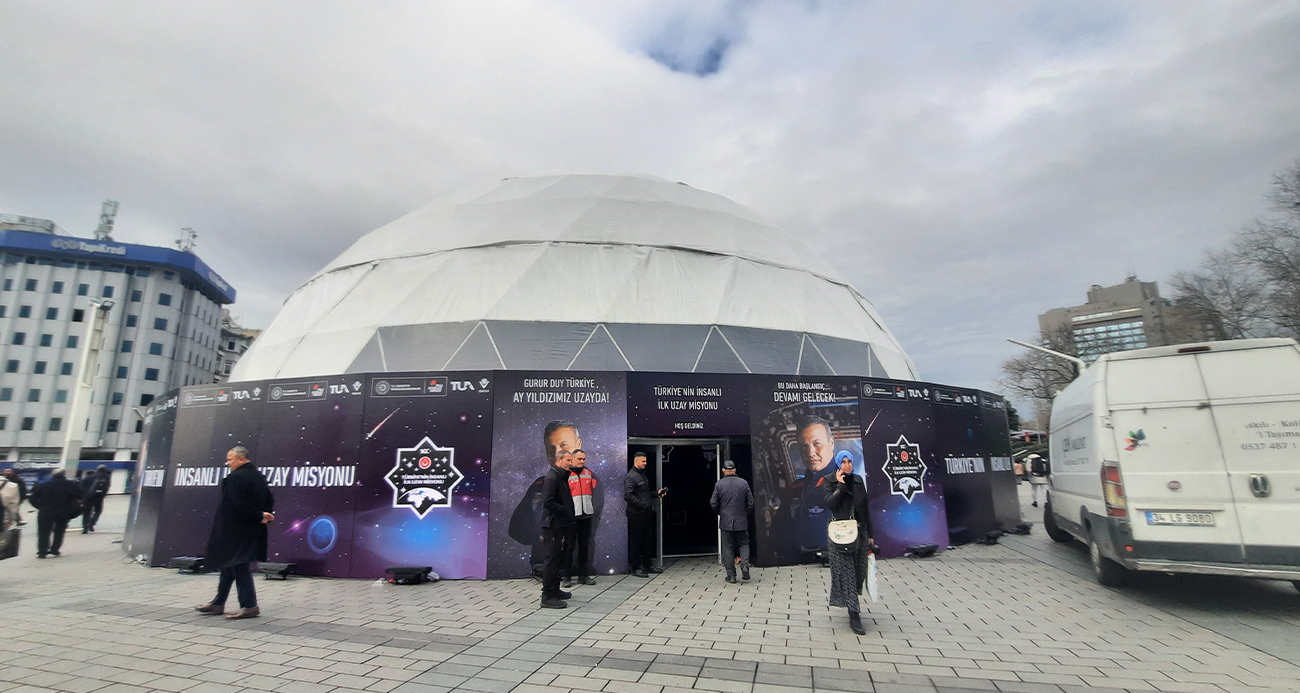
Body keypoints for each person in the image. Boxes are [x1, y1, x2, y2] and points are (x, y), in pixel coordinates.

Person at [508, 421, 604, 577]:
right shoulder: (540, 483)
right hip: (545, 567)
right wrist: (541, 537)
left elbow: (582, 525)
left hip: (573, 571)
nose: (556, 452)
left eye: (563, 445)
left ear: (578, 444)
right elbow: (516, 528)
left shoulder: (589, 481)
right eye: (550, 447)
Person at [194, 446, 275, 620]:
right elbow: (269, 498)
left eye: (230, 459)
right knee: (229, 563)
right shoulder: (258, 476)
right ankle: (218, 603)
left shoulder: (236, 478)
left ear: (241, 459)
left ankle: (250, 605)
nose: (228, 463)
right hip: (252, 528)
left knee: (238, 564)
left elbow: (240, 505)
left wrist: (259, 514)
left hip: (235, 530)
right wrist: (264, 514)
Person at [824, 454, 875, 635]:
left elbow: (865, 508)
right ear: (838, 464)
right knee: (846, 573)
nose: (847, 465)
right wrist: (841, 485)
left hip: (860, 532)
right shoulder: (830, 480)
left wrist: (871, 534)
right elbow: (831, 503)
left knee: (858, 572)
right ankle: (855, 615)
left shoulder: (859, 480)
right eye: (843, 462)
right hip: (840, 533)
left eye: (849, 461)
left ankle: (852, 601)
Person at [539, 449, 575, 609]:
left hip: (561, 524)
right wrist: (565, 510)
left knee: (557, 558)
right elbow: (548, 501)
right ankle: (547, 595)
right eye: (568, 460)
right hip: (552, 525)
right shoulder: (552, 478)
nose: (570, 463)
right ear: (558, 460)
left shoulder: (561, 477)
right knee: (551, 559)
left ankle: (555, 589)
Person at [710, 460, 754, 584]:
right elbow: (750, 502)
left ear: (723, 471)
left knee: (727, 547)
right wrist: (745, 514)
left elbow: (713, 503)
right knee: (744, 543)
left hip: (726, 521)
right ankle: (745, 566)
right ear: (735, 470)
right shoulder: (743, 483)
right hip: (741, 520)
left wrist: (721, 513)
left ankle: (731, 576)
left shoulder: (719, 484)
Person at [624, 452, 666, 577]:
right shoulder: (631, 477)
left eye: (646, 461)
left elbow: (643, 493)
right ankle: (635, 568)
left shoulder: (642, 476)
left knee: (647, 539)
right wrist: (643, 505)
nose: (645, 463)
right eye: (643, 461)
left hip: (645, 513)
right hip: (636, 514)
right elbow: (628, 495)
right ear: (636, 461)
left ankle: (648, 565)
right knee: (636, 540)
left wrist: (656, 494)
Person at [29, 468, 82, 559]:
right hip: (63, 512)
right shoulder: (71, 485)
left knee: (43, 532)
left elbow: (32, 499)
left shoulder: (43, 485)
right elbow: (80, 496)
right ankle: (54, 549)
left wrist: (40, 507)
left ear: (53, 475)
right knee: (59, 531)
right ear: (64, 474)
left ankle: (42, 551)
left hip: (45, 512)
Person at [564, 449, 598, 588]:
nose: (582, 461)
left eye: (584, 459)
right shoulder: (565, 475)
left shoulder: (588, 473)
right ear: (572, 459)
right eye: (579, 459)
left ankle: (583, 575)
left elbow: (593, 491)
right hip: (572, 516)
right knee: (569, 546)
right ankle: (566, 576)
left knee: (584, 546)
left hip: (586, 515)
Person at [80, 465, 111, 533]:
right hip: (98, 497)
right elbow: (107, 488)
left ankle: (85, 528)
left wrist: (82, 496)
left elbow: (81, 486)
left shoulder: (89, 477)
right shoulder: (106, 477)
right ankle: (91, 524)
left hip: (88, 497)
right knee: (98, 511)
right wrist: (102, 495)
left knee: (86, 512)